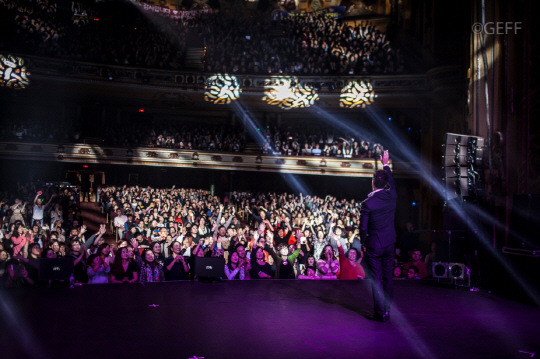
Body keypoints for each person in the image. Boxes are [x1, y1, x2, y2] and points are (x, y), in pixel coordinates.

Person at [360, 150, 397, 322]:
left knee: (376, 279)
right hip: (390, 242)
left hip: (374, 244)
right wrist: (385, 164)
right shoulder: (392, 196)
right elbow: (392, 182)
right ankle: (387, 309)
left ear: (373, 183)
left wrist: (363, 243)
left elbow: (363, 228)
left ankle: (380, 313)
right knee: (387, 276)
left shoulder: (367, 204)